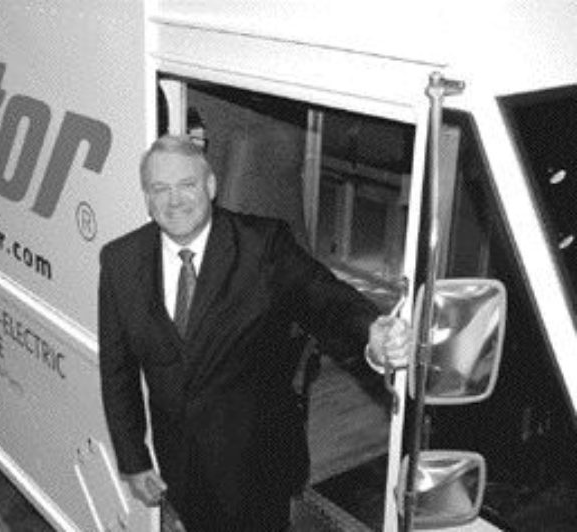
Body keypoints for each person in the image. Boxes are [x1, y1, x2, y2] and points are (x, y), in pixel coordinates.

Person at [99, 134, 410, 531]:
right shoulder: (119, 261)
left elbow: (324, 298)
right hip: (181, 467)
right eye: (160, 188)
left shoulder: (263, 246)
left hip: (258, 468)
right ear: (147, 197)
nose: (174, 200)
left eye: (187, 185)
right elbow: (117, 372)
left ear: (210, 186)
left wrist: (372, 333)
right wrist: (133, 460)